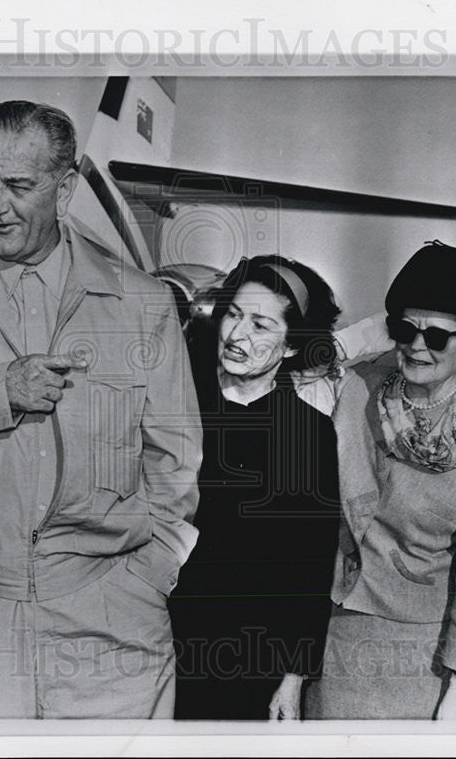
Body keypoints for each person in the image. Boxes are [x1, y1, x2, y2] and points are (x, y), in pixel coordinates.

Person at [0, 101, 202, 718]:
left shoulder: (142, 304)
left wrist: (147, 580)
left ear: (65, 189)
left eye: (18, 186)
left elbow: (175, 463)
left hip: (112, 618)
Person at [305, 241, 456, 721]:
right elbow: (299, 367)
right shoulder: (357, 388)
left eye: (439, 336)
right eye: (404, 329)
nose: (418, 346)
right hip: (333, 635)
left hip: (419, 659)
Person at [168, 255, 342, 720]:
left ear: (290, 347)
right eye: (233, 314)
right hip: (160, 637)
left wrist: (293, 677)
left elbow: (312, 565)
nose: (237, 335)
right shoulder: (178, 405)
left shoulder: (308, 433)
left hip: (252, 659)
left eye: (262, 325)